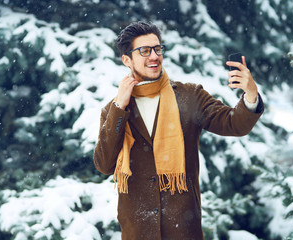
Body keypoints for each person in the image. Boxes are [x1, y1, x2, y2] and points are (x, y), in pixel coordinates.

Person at [93, 21, 264, 240]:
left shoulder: (189, 96)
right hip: (138, 232)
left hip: (183, 230)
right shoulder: (115, 109)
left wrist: (250, 94)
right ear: (127, 60)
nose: (154, 56)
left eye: (157, 49)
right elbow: (104, 164)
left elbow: (234, 124)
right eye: (144, 51)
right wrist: (119, 108)